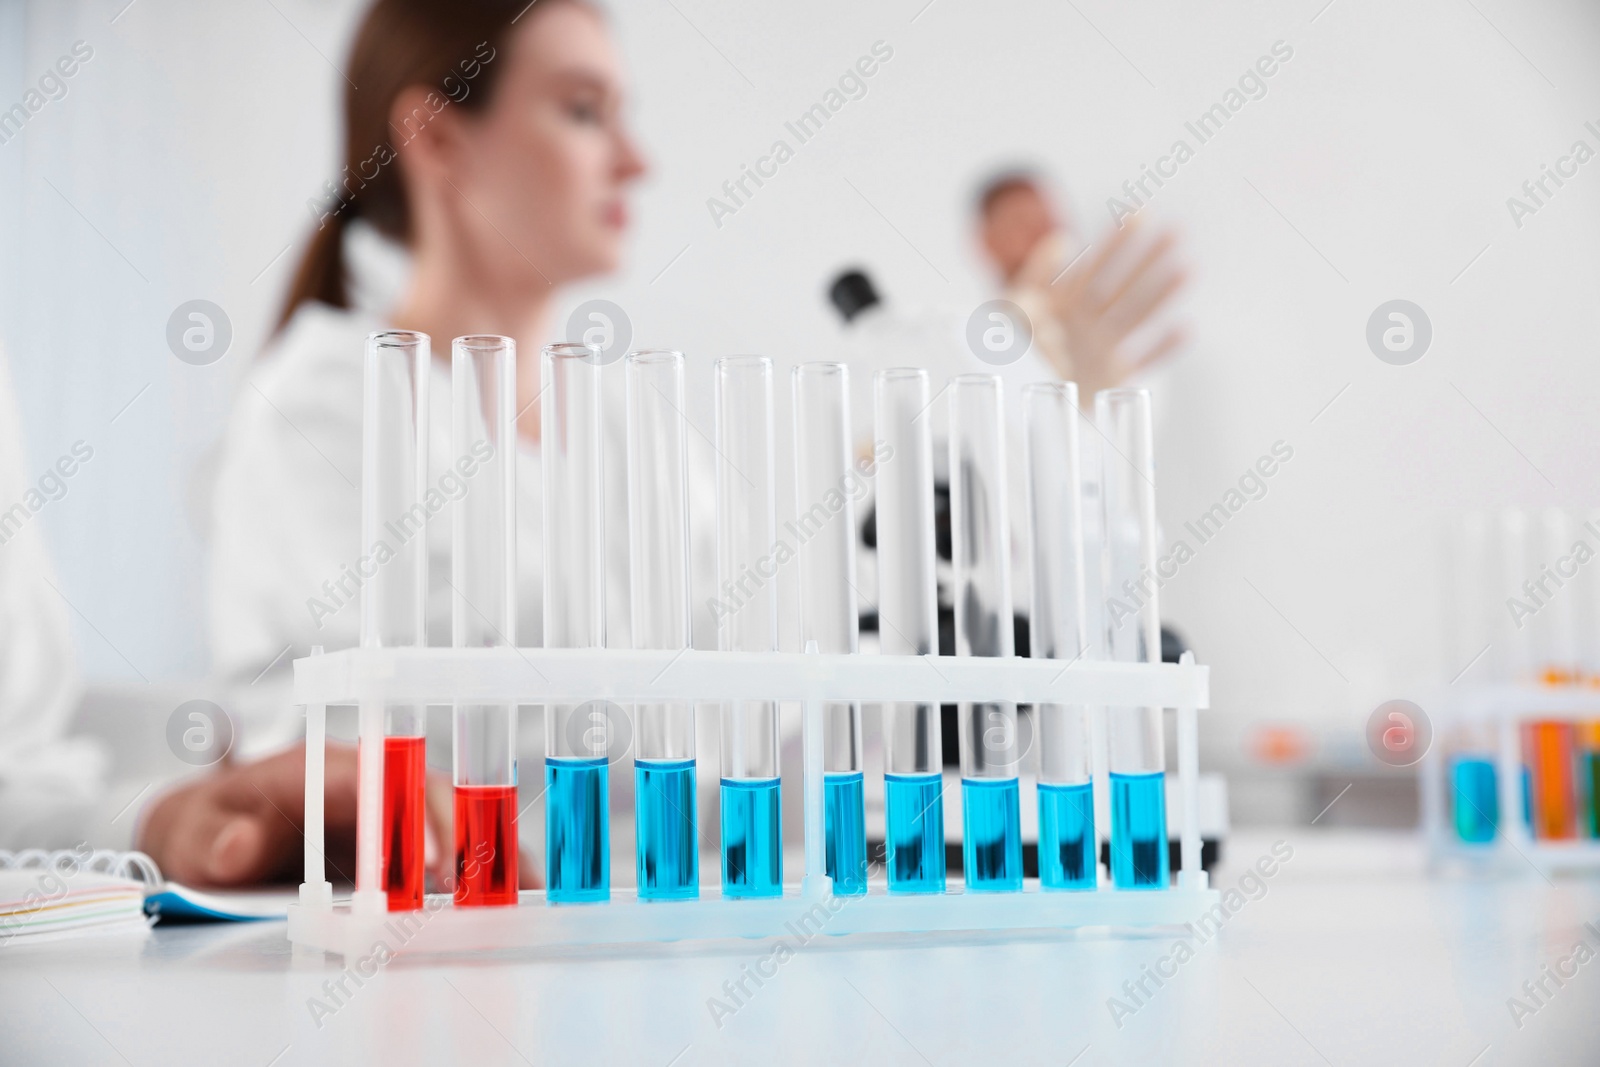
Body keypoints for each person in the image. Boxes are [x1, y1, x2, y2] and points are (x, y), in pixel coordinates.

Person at [138, 0, 646, 886]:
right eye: (581, 110)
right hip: (429, 929)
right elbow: (356, 756)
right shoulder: (330, 399)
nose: (636, 162)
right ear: (438, 138)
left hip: (644, 918)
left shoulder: (627, 421)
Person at [974, 169, 1186, 403]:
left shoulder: (1116, 341)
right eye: (1021, 223)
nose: (1042, 234)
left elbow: (1136, 427)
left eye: (1050, 221)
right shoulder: (963, 338)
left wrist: (1088, 403)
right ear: (986, 242)